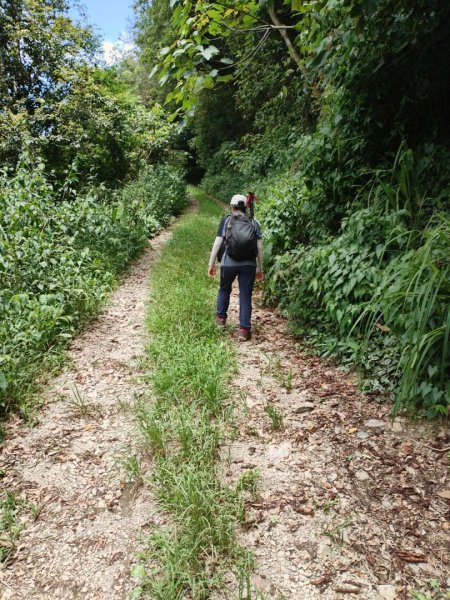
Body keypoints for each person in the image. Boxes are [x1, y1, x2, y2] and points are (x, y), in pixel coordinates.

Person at [208, 194, 264, 341]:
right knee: (245, 295)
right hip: (249, 265)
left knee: (224, 289)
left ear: (232, 207)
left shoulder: (226, 220)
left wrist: (211, 263)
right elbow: (259, 248)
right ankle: (244, 330)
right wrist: (260, 268)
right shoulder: (253, 222)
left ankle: (220, 320)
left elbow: (217, 244)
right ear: (245, 208)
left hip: (228, 263)